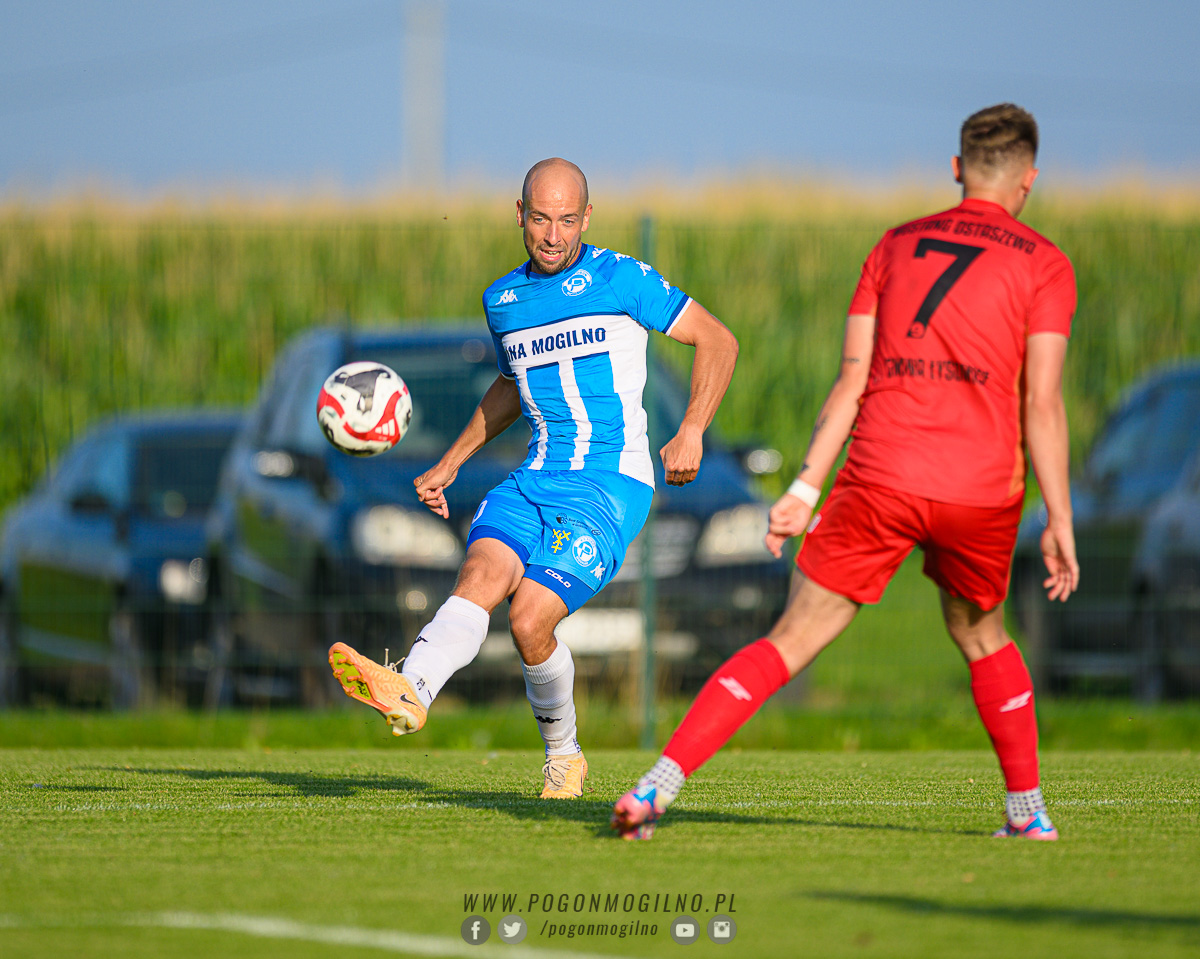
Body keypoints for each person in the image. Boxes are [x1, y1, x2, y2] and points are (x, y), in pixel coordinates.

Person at [612, 104, 1079, 840]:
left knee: (791, 638)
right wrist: (1059, 518)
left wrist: (804, 490)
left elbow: (851, 381)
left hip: (881, 473)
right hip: (980, 488)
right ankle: (1027, 813)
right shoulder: (1044, 263)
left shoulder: (894, 245)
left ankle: (655, 787)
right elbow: (1042, 402)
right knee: (983, 635)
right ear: (1029, 180)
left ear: (957, 170)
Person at [329, 158, 739, 799]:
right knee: (479, 577)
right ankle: (413, 688)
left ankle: (564, 756)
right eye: (541, 219)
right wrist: (452, 460)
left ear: (587, 217)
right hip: (533, 478)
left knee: (528, 622)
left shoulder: (623, 278)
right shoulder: (503, 301)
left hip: (609, 485)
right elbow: (510, 388)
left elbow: (718, 340)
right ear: (519, 214)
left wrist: (692, 428)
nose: (553, 235)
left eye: (567, 220)